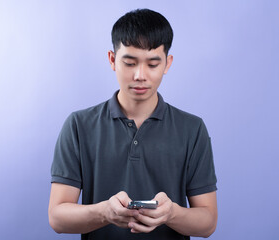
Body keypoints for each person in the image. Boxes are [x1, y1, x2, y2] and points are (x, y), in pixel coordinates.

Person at [48, 8, 217, 240]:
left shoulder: (192, 129)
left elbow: (207, 223)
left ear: (167, 64)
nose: (140, 75)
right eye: (129, 63)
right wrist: (104, 212)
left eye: (152, 64)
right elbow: (57, 217)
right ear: (112, 60)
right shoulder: (78, 126)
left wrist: (171, 214)